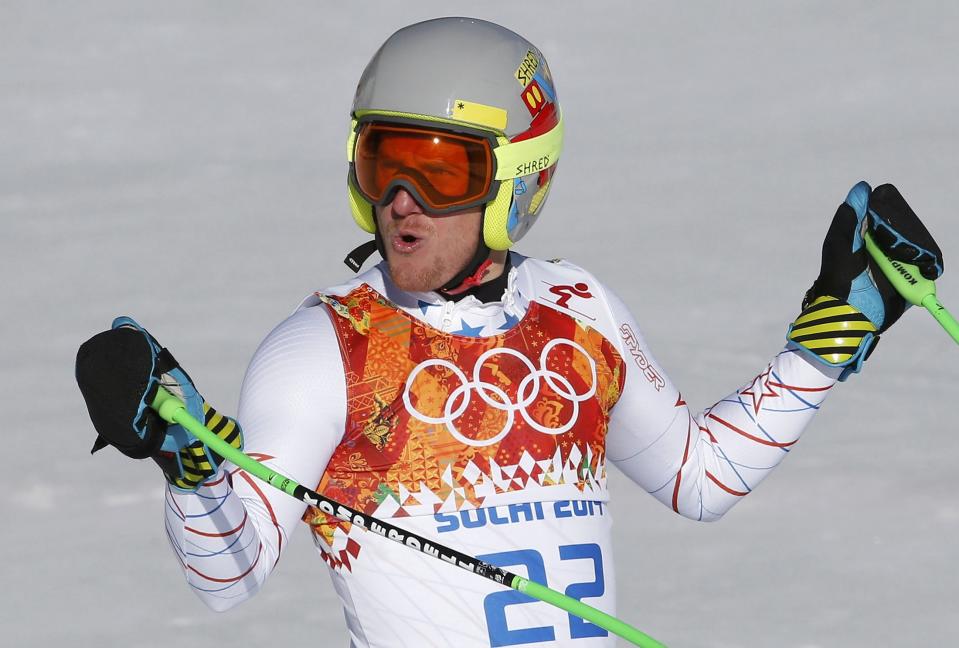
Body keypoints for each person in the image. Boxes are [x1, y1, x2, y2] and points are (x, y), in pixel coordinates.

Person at [76, 16, 944, 648]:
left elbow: (699, 477)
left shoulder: (577, 308)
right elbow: (230, 575)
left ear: (518, 182)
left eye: (443, 167)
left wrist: (838, 327)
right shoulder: (325, 349)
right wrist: (187, 460)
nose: (402, 200)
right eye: (384, 159)